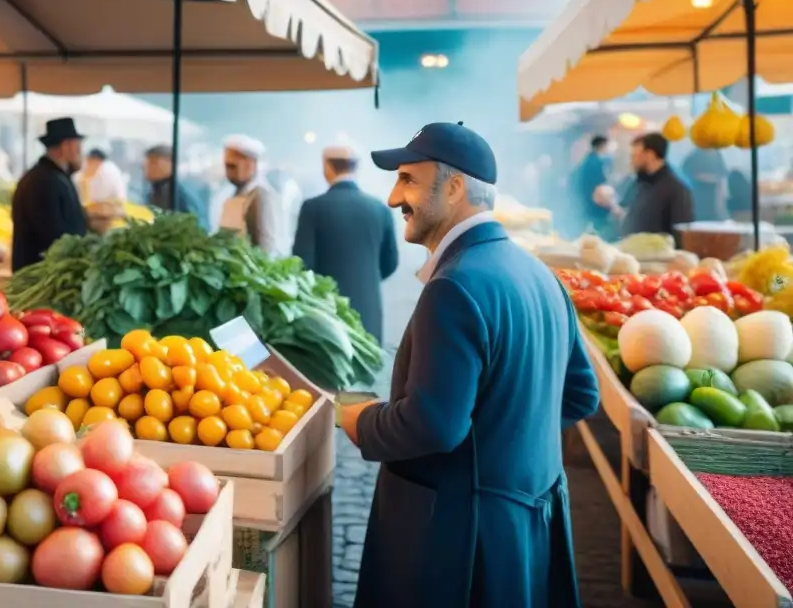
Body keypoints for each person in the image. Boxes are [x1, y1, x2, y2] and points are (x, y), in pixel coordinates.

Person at [340, 122, 599, 608]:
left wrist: (361, 420)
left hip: (460, 539)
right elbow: (581, 395)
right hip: (526, 526)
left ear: (455, 187)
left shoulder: (453, 287)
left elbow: (433, 427)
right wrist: (505, 440)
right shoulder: (543, 277)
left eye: (408, 180)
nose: (395, 197)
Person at [292, 146, 398, 341]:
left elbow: (302, 264)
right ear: (356, 168)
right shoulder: (380, 208)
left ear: (327, 167)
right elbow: (391, 263)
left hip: (326, 312)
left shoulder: (313, 208)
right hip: (369, 310)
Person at [11, 118, 88, 271]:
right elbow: (54, 237)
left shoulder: (49, 176)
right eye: (78, 148)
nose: (81, 155)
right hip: (41, 277)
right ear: (67, 147)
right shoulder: (44, 182)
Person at [618, 132, 694, 243]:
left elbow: (681, 236)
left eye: (634, 156)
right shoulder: (639, 183)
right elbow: (625, 213)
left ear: (650, 155)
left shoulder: (677, 190)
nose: (632, 162)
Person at [218, 135, 284, 257]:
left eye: (232, 166)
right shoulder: (236, 194)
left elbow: (263, 249)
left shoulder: (259, 197)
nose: (228, 173)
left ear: (250, 164)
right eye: (226, 166)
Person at [144, 145, 206, 227]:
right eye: (146, 163)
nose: (147, 167)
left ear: (170, 162)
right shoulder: (152, 192)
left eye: (154, 162)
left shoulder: (180, 193)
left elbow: (198, 224)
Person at [571, 135, 614, 235]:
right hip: (594, 204)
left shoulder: (587, 160)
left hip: (585, 202)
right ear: (602, 146)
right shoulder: (597, 162)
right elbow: (600, 186)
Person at [681, 147, 727, 221]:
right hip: (699, 193)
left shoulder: (717, 155)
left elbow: (721, 177)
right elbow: (685, 170)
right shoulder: (695, 155)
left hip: (712, 195)